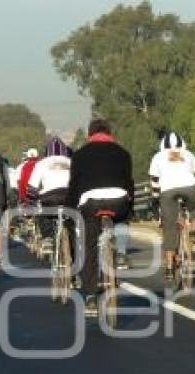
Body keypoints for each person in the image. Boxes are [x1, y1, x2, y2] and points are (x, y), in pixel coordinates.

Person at [66, 119, 134, 314]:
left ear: (90, 134)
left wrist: (70, 211)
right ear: (110, 133)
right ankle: (120, 255)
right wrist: (130, 208)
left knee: (88, 244)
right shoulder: (123, 153)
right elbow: (129, 184)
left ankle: (90, 296)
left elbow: (74, 188)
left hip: (92, 204)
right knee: (121, 220)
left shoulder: (79, 155)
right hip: (118, 202)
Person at [149, 131, 195, 281]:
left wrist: (155, 200)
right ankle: (192, 231)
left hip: (168, 192)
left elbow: (154, 182)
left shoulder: (157, 157)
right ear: (182, 143)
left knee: (169, 228)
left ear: (162, 145)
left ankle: (168, 267)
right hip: (190, 188)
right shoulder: (189, 154)